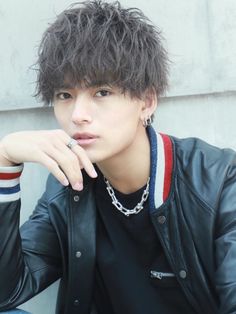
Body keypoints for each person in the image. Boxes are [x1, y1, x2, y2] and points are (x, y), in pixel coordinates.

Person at [0, 1, 236, 313]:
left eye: (102, 92)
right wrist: (4, 161)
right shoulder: (67, 184)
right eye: (64, 95)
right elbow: (7, 292)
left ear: (147, 101)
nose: (78, 115)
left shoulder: (218, 180)